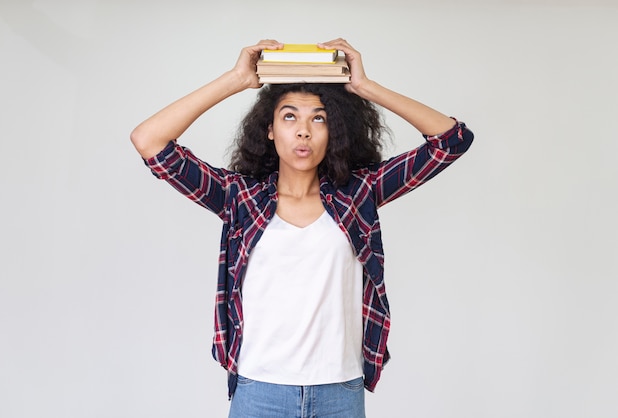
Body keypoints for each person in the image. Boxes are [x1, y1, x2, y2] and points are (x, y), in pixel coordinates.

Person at [130, 38, 474, 418]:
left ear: (334, 131)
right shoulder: (240, 199)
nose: (304, 131)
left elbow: (451, 142)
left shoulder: (357, 195)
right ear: (270, 130)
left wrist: (364, 87)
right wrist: (236, 79)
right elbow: (149, 141)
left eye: (319, 118)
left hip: (339, 391)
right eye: (289, 117)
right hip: (259, 389)